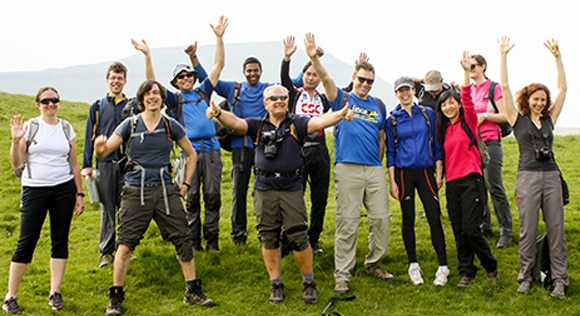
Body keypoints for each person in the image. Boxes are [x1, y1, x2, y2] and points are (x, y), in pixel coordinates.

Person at [206, 84, 353, 304]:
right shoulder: (257, 124)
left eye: (283, 97)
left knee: (298, 236)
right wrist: (218, 113)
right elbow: (236, 123)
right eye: (273, 98)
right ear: (266, 103)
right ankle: (276, 283)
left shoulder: (297, 123)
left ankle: (309, 282)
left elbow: (318, 122)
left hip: (291, 188)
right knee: (269, 236)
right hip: (264, 188)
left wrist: (339, 115)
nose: (279, 101)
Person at [95, 80, 214, 316]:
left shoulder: (171, 125)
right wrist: (99, 148)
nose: (153, 97)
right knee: (126, 243)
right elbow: (106, 151)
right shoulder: (129, 124)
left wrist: (186, 184)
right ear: (141, 99)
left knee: (183, 238)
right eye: (148, 94)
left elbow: (191, 155)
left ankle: (192, 290)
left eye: (157, 93)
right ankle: (115, 297)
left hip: (165, 190)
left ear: (161, 98)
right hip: (134, 190)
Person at [304, 33, 393, 295]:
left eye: (370, 81)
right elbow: (328, 80)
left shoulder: (378, 104)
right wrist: (314, 58)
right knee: (348, 222)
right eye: (362, 79)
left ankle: (374, 263)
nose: (365, 84)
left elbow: (381, 135)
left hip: (374, 169)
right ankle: (342, 275)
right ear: (354, 78)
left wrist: (378, 159)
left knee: (381, 219)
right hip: (348, 167)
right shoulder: (342, 99)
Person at [132, 16, 228, 253]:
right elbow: (151, 83)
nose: (186, 79)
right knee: (192, 197)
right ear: (175, 83)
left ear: (194, 78)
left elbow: (218, 66)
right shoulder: (174, 101)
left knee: (213, 196)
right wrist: (147, 56)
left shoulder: (204, 91)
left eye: (188, 75)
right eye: (181, 77)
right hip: (190, 154)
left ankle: (212, 239)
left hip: (213, 151)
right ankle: (193, 240)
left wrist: (219, 38)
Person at [498, 36, 568, 298]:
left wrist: (558, 58)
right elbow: (504, 86)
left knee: (556, 229)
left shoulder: (550, 119)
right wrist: (503, 55)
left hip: (551, 176)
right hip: (527, 176)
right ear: (526, 100)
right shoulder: (517, 119)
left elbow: (563, 88)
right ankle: (525, 276)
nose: (539, 103)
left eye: (542, 99)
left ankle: (560, 279)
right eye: (535, 99)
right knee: (528, 230)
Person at [4, 87, 84, 314]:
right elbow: (17, 163)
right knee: (26, 241)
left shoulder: (66, 127)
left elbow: (74, 163)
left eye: (54, 100)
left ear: (59, 103)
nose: (51, 104)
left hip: (63, 189)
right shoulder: (31, 127)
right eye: (45, 101)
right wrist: (15, 141)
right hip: (35, 189)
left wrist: (79, 194)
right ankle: (10, 296)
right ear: (38, 104)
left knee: (60, 240)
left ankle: (55, 292)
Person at [435, 51, 499, 288]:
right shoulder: (444, 130)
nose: (449, 107)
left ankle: (490, 264)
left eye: (452, 102)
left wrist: (464, 73)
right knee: (459, 230)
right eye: (444, 104)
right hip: (453, 185)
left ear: (458, 104)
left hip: (472, 180)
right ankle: (466, 271)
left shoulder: (468, 120)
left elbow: (468, 98)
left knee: (473, 230)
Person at [386, 76, 448, 286]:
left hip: (425, 171)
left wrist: (439, 173)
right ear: (396, 94)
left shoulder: (426, 113)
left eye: (407, 90)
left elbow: (436, 145)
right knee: (408, 218)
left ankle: (443, 266)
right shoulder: (392, 119)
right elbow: (391, 152)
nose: (404, 94)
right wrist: (392, 182)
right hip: (404, 173)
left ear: (413, 91)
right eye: (400, 91)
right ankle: (413, 265)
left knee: (433, 216)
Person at [211, 53, 277, 245]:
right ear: (244, 73)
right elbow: (210, 81)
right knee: (239, 192)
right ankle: (238, 235)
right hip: (241, 147)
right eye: (249, 70)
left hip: (263, 148)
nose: (252, 73)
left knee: (265, 191)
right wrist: (194, 60)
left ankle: (266, 232)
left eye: (256, 70)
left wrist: (287, 60)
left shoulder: (267, 89)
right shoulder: (234, 88)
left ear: (261, 72)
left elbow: (291, 85)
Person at [81, 62, 134, 268]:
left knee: (126, 208)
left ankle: (125, 248)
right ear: (107, 80)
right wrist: (87, 164)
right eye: (113, 78)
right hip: (104, 163)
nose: (116, 81)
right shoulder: (98, 106)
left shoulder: (131, 106)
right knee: (107, 207)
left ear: (125, 81)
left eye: (120, 78)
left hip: (126, 164)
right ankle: (106, 251)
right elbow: (88, 137)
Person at [280, 35, 329, 254]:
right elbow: (284, 80)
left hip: (320, 151)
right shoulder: (294, 95)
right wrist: (287, 59)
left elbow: (343, 92)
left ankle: (314, 239)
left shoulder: (323, 99)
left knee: (319, 198)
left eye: (315, 74)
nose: (311, 78)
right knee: (293, 197)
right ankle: (290, 238)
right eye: (308, 74)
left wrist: (356, 72)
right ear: (304, 76)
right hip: (297, 151)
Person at [469, 53, 513, 248]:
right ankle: (485, 226)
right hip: (473, 144)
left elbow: (506, 115)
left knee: (494, 186)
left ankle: (506, 231)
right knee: (479, 187)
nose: (470, 71)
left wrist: (485, 115)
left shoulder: (493, 88)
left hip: (491, 142)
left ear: (483, 66)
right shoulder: (469, 90)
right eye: (467, 67)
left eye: (473, 67)